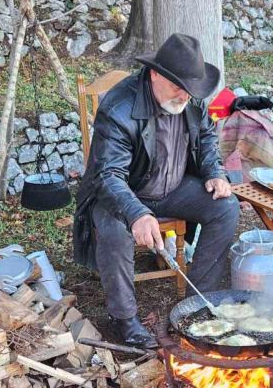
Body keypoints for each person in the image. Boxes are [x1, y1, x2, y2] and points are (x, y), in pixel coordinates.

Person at [73, 33, 240, 348]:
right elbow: (107, 175)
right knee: (113, 231)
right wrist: (137, 213)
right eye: (178, 86)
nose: (184, 96)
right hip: (122, 195)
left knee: (226, 207)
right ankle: (125, 319)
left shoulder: (190, 98)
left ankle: (197, 303)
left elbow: (206, 137)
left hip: (173, 188)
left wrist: (215, 172)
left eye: (189, 90)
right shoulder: (119, 108)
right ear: (154, 74)